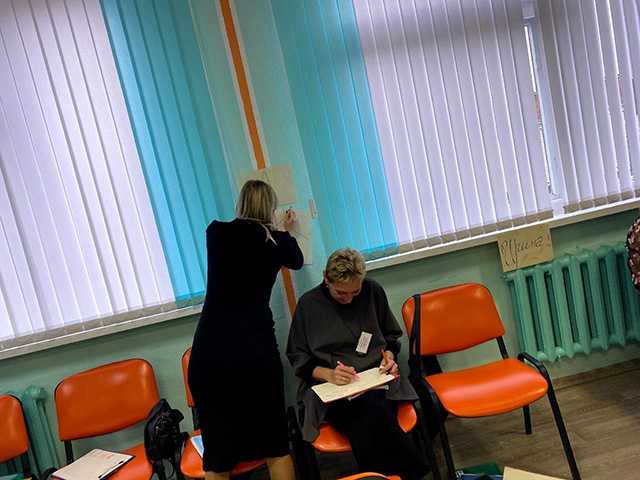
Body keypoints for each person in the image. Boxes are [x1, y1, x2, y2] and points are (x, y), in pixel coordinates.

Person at [188, 180, 303, 480]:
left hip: (210, 355)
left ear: (240, 204)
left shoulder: (216, 232)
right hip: (255, 353)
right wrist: (284, 229)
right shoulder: (277, 242)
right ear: (271, 207)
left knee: (218, 457)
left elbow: (241, 237)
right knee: (275, 445)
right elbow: (297, 261)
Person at [287, 248, 431, 480]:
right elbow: (298, 358)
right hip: (333, 390)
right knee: (370, 411)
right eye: (341, 293)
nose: (349, 299)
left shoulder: (372, 291)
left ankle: (379, 476)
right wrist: (329, 374)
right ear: (326, 279)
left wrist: (389, 358)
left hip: (377, 378)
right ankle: (414, 473)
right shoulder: (309, 305)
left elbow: (391, 337)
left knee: (370, 409)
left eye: (355, 291)